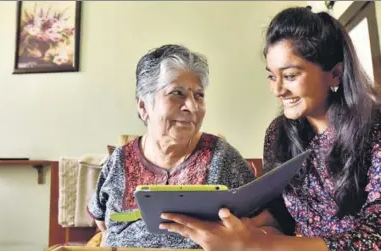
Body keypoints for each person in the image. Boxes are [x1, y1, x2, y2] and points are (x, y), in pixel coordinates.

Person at [159, 7, 381, 251]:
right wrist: (241, 227)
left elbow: (375, 236)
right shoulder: (279, 133)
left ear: (335, 74)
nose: (277, 90)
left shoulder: (374, 128)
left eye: (290, 75)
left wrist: (259, 244)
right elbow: (282, 213)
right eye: (272, 77)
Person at [87, 44, 255, 249]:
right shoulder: (119, 160)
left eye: (199, 95)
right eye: (177, 93)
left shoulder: (222, 157)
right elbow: (101, 220)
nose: (192, 107)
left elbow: (258, 220)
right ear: (143, 106)